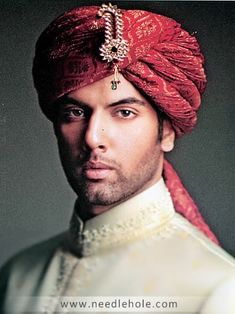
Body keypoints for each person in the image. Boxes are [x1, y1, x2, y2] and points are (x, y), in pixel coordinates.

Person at [0, 3, 234, 313]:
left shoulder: (218, 290)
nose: (92, 138)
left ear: (166, 132)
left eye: (124, 112)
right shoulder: (17, 277)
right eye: (76, 112)